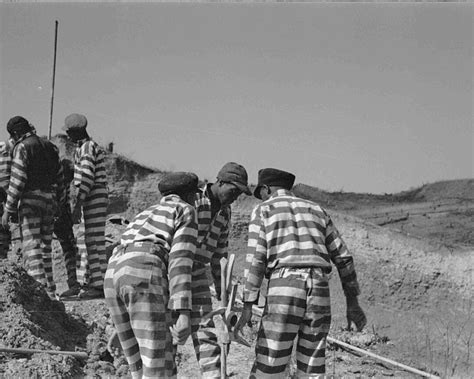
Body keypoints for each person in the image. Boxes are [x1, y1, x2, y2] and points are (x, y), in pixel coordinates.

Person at [235, 168, 367, 378]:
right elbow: (343, 257)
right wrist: (353, 302)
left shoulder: (264, 210)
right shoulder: (316, 209)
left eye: (261, 193)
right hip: (319, 288)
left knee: (271, 360)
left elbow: (255, 260)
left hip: (285, 286)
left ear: (266, 189)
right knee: (312, 364)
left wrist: (248, 305)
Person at [104, 172, 199, 379]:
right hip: (144, 269)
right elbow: (180, 261)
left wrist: (119, 325)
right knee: (157, 365)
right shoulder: (185, 210)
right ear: (191, 195)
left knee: (137, 367)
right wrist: (183, 312)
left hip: (113, 273)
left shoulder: (145, 213)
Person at [191, 161, 251, 378]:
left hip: (197, 273)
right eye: (234, 191)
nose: (236, 197)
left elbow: (219, 256)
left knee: (205, 329)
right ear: (220, 182)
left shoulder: (225, 213)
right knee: (167, 327)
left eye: (240, 194)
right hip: (173, 269)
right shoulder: (194, 200)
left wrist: (222, 294)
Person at [1, 116, 65, 297]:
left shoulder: (22, 147)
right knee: (46, 247)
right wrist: (60, 201)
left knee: (32, 247)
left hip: (31, 201)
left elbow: (18, 180)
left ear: (14, 133)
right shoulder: (51, 146)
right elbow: (60, 178)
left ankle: (40, 292)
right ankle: (51, 292)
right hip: (50, 200)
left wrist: (8, 209)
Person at [62, 113, 108, 299]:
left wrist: (78, 202)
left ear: (74, 131)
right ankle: (94, 283)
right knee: (90, 239)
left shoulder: (87, 147)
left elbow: (87, 177)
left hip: (93, 197)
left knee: (92, 240)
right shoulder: (86, 147)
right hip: (93, 196)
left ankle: (96, 285)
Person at [55, 158, 81, 298]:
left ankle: (73, 284)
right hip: (59, 214)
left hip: (55, 213)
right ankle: (74, 283)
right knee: (69, 248)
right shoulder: (61, 179)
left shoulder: (53, 173)